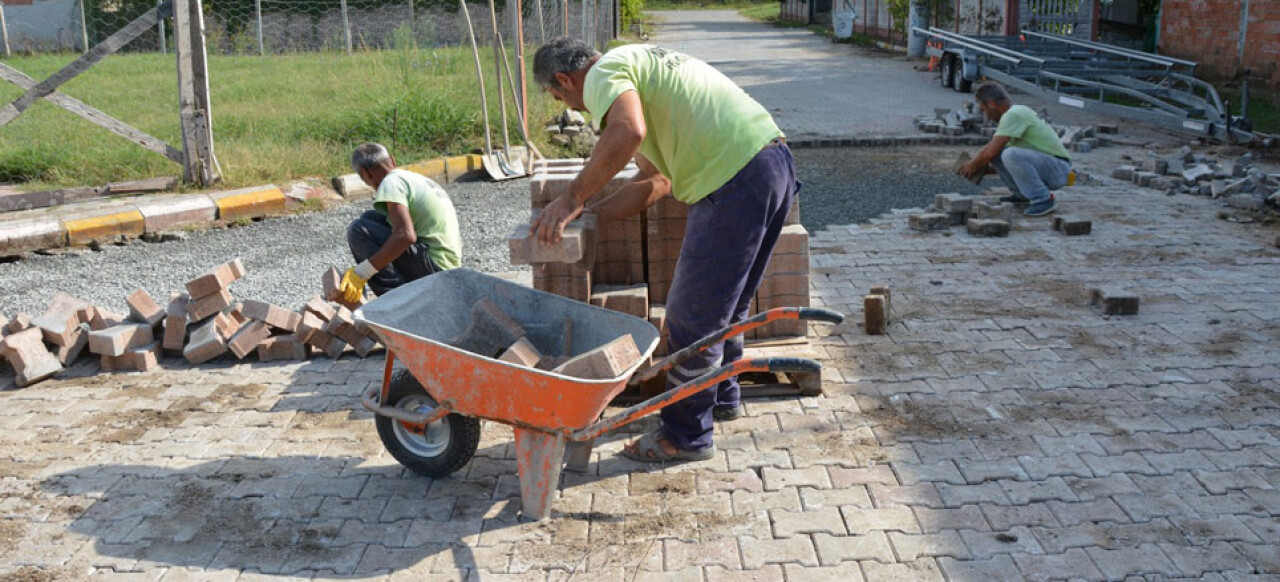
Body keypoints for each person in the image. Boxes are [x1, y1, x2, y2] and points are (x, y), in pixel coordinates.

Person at [529, 38, 798, 463]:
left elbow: (627, 131)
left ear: (565, 79)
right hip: (771, 161)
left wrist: (571, 198)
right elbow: (655, 183)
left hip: (732, 177)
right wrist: (592, 216)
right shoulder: (639, 70)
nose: (573, 108)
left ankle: (684, 436)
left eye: (561, 97)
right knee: (729, 306)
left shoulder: (603, 75)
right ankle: (721, 398)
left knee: (692, 320)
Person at [338, 143, 462, 306]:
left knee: (359, 230)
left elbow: (405, 235)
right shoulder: (411, 177)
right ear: (392, 160)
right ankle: (407, 296)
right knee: (371, 218)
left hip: (437, 270)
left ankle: (400, 306)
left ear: (365, 174)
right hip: (448, 266)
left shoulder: (390, 184)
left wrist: (362, 272)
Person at [958, 82, 1071, 217]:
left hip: (1059, 169)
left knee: (1009, 154)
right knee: (1002, 153)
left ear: (991, 103)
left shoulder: (1013, 114)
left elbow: (990, 152)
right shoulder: (1014, 114)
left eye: (984, 110)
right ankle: (1021, 194)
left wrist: (973, 164)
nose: (985, 115)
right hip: (1050, 166)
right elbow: (999, 156)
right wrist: (983, 169)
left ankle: (1044, 199)